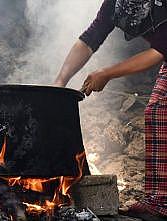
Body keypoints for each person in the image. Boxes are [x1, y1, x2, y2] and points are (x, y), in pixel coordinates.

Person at [54, 0, 166, 220]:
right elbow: (89, 39)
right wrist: (60, 81)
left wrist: (107, 73)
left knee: (161, 109)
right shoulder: (116, 4)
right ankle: (159, 199)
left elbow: (160, 50)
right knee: (156, 113)